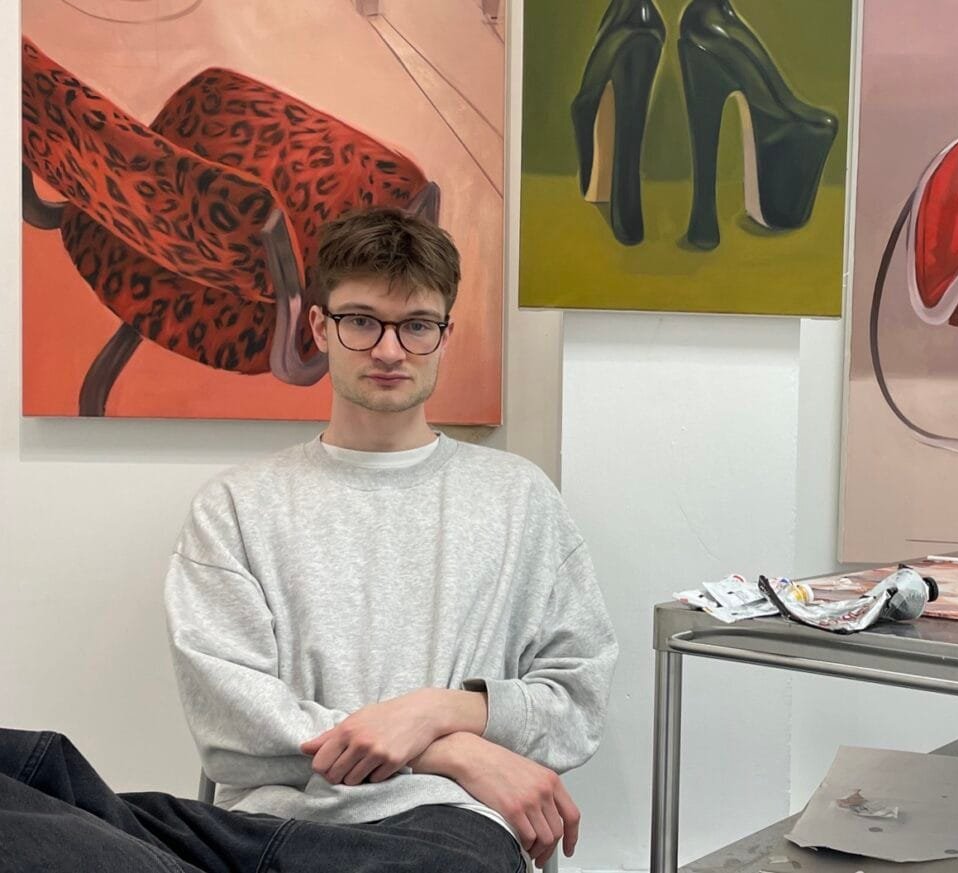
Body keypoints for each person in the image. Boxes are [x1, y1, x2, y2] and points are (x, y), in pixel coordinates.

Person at [0, 208, 618, 873]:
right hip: (249, 831)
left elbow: (576, 700)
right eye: (362, 321)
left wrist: (438, 709)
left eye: (416, 325)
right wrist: (445, 746)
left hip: (436, 832)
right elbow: (231, 722)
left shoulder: (519, 499)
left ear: (446, 335)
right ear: (321, 327)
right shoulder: (237, 505)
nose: (389, 350)